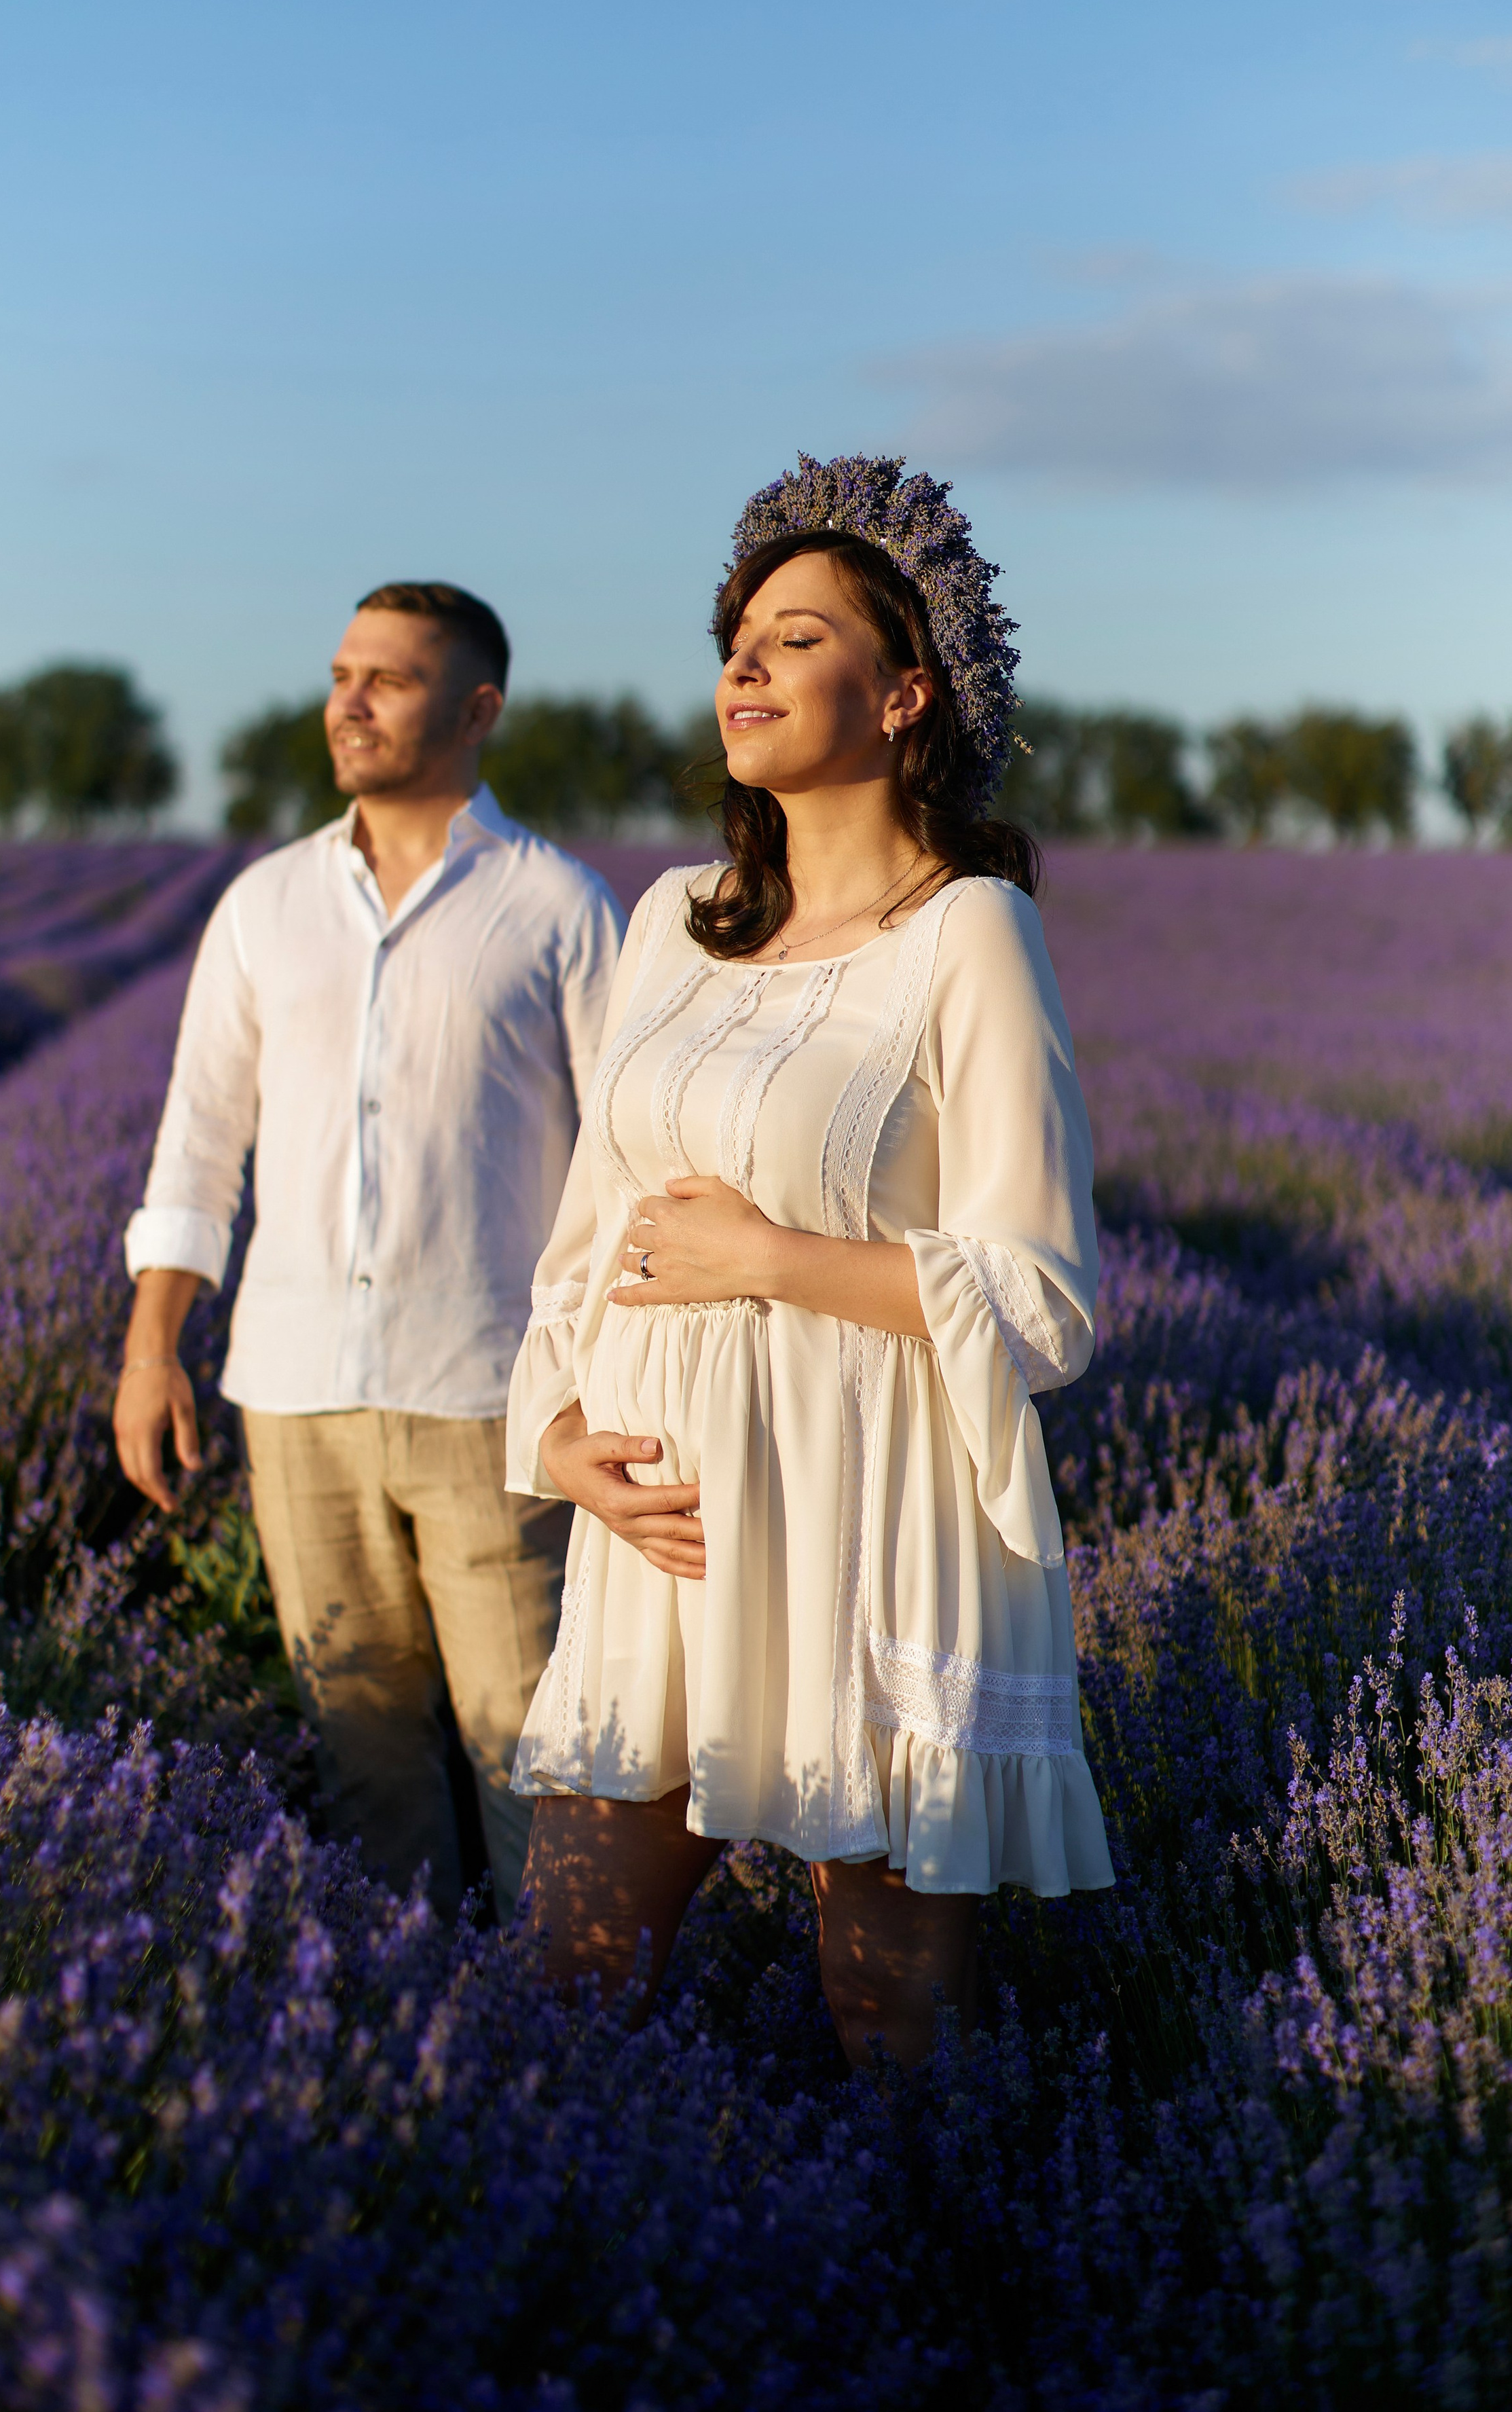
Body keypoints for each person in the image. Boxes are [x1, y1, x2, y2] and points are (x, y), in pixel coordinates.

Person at [505, 457, 1114, 2066]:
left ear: (903, 692)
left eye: (793, 638)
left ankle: (942, 2300)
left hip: (867, 1519)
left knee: (887, 2008)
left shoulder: (966, 930)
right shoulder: (670, 919)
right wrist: (558, 1443)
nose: (742, 668)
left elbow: (1042, 1299)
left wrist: (773, 1256)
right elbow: (587, 1240)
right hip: (665, 1531)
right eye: (735, 640)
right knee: (567, 1965)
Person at [115, 580, 625, 1921]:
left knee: (535, 1753)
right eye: (341, 674)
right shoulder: (263, 905)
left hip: (493, 1400)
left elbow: (626, 1172)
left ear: (477, 709)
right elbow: (197, 1140)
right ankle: (411, 2064)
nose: (347, 701)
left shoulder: (560, 910)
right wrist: (151, 1347)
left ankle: (570, 2074)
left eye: (387, 679)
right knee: (364, 1768)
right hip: (293, 1397)